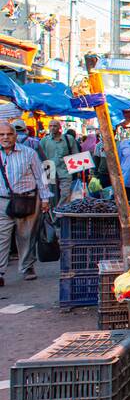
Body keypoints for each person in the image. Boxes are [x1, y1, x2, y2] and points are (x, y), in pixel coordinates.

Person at [0, 120, 53, 285]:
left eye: (9, 134)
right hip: (3, 202)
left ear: (16, 136)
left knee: (26, 235)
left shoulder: (29, 152)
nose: (6, 137)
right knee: (2, 237)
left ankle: (27, 266)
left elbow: (41, 176)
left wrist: (45, 199)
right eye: (2, 135)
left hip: (27, 200)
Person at [37, 119, 80, 206]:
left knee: (65, 194)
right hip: (49, 170)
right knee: (51, 196)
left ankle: (60, 213)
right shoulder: (44, 141)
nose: (52, 128)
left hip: (65, 171)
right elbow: (39, 157)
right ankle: (53, 215)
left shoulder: (69, 139)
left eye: (55, 126)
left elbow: (76, 155)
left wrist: (78, 171)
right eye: (50, 126)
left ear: (60, 127)